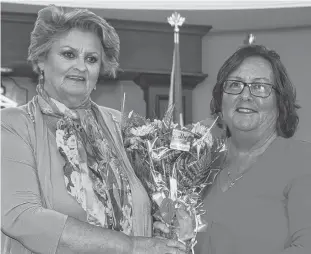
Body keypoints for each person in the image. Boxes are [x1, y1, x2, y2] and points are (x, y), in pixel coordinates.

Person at [1, 5, 186, 254]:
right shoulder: (12, 124)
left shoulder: (121, 125)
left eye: (91, 59)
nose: (81, 66)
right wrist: (129, 246)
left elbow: (147, 201)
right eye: (68, 54)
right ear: (41, 60)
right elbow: (22, 216)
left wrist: (162, 221)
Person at [194, 44, 311, 254]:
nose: (245, 95)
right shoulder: (201, 163)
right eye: (235, 84)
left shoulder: (302, 161)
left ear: (280, 102)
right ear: (222, 99)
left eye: (260, 87)